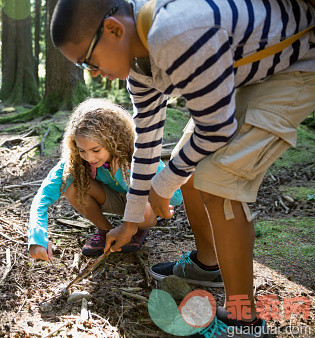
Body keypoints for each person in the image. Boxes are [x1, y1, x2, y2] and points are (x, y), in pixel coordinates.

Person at [50, 0, 314, 336]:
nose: (94, 72)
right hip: (248, 73)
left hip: (297, 64)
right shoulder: (137, 64)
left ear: (114, 29)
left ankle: (242, 321)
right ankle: (209, 263)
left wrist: (161, 187)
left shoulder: (175, 31)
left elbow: (216, 129)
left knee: (219, 177)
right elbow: (147, 138)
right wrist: (130, 221)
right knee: (188, 165)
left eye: (89, 61)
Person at [28, 98, 182, 260]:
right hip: (114, 200)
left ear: (114, 140)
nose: (89, 158)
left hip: (145, 207)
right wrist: (37, 238)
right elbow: (43, 196)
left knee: (144, 210)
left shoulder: (139, 152)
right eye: (82, 150)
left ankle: (135, 229)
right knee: (71, 184)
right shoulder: (77, 160)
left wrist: (123, 176)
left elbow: (176, 197)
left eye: (96, 150)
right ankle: (106, 231)